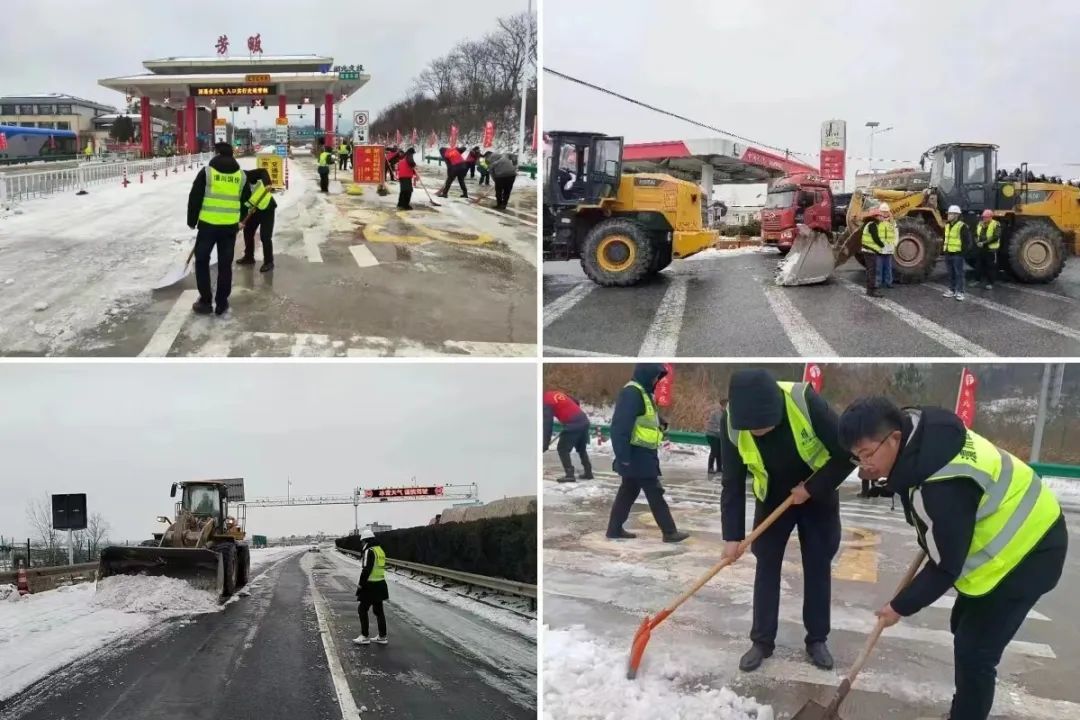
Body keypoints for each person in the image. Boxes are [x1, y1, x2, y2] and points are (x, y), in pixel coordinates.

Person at [838, 397, 1066, 720]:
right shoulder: (922, 442)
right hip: (1014, 531)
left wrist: (900, 606)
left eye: (867, 454)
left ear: (895, 438)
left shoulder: (941, 485)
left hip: (1031, 551)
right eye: (856, 456)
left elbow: (946, 565)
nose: (864, 465)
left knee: (976, 652)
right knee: (963, 626)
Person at [720, 369, 854, 672]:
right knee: (766, 564)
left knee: (818, 565)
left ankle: (817, 639)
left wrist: (811, 488)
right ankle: (761, 641)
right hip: (771, 499)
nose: (757, 433)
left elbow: (846, 454)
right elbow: (732, 481)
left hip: (816, 494)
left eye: (763, 426)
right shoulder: (731, 421)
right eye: (751, 428)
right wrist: (732, 537)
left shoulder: (804, 401)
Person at [605, 364, 689, 543]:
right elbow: (620, 427)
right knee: (654, 491)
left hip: (642, 452)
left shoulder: (642, 392)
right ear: (645, 375)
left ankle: (614, 529)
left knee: (628, 491)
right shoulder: (632, 393)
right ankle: (669, 532)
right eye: (654, 376)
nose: (655, 380)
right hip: (636, 454)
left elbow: (644, 418)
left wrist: (661, 422)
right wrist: (623, 456)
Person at [186, 142, 250, 316]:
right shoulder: (241, 176)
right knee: (224, 265)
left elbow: (195, 197)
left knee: (201, 261)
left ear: (217, 153)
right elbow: (246, 201)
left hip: (207, 226)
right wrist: (240, 221)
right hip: (229, 228)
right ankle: (222, 303)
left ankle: (206, 301)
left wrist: (192, 220)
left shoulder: (207, 173)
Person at [543, 389, 593, 483]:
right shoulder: (554, 394)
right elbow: (575, 401)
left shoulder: (545, 403)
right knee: (581, 448)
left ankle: (569, 474)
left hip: (573, 424)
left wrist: (544, 444)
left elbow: (547, 425)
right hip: (583, 420)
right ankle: (588, 472)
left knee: (562, 449)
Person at [352, 528, 390, 646]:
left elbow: (366, 570)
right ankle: (382, 636)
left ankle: (364, 636)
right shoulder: (380, 550)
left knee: (362, 609)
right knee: (379, 611)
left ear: (365, 541)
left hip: (370, 585)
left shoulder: (369, 551)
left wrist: (360, 584)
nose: (362, 544)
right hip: (380, 584)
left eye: (362, 542)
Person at [236, 167, 276, 273]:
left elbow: (263, 171)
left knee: (265, 236)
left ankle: (269, 262)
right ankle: (249, 257)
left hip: (266, 207)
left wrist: (267, 184)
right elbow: (242, 204)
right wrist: (241, 221)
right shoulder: (229, 186)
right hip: (252, 210)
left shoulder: (243, 175)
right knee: (248, 232)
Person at [943, 204, 971, 300]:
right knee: (951, 273)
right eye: (949, 213)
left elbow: (967, 242)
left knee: (959, 274)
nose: (948, 215)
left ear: (956, 215)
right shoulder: (947, 225)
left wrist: (962, 253)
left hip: (958, 254)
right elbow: (946, 239)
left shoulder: (962, 226)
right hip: (948, 254)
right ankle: (952, 290)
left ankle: (960, 292)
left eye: (950, 214)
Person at [860, 204, 886, 297]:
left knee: (871, 271)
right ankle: (871, 291)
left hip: (869, 251)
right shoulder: (873, 225)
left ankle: (870, 290)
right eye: (880, 215)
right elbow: (875, 238)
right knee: (872, 271)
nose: (882, 217)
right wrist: (882, 245)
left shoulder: (870, 224)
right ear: (876, 217)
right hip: (870, 251)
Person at [974, 209, 1001, 290]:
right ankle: (977, 280)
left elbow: (996, 236)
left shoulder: (996, 224)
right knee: (978, 265)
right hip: (981, 248)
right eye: (983, 217)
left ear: (990, 217)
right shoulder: (980, 224)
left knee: (990, 267)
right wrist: (977, 242)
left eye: (986, 217)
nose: (984, 218)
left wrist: (984, 243)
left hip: (991, 249)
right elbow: (975, 234)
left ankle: (990, 283)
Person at [876, 203, 896, 289]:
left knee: (888, 267)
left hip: (889, 249)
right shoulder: (877, 223)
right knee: (878, 268)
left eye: (886, 212)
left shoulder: (892, 223)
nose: (884, 213)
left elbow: (895, 234)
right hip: (879, 249)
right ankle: (878, 283)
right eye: (883, 212)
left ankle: (888, 282)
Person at [705, 402, 725, 477]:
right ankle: (710, 467)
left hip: (719, 436)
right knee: (714, 451)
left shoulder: (725, 413)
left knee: (720, 451)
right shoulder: (717, 413)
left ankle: (719, 468)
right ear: (722, 406)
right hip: (712, 434)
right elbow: (720, 424)